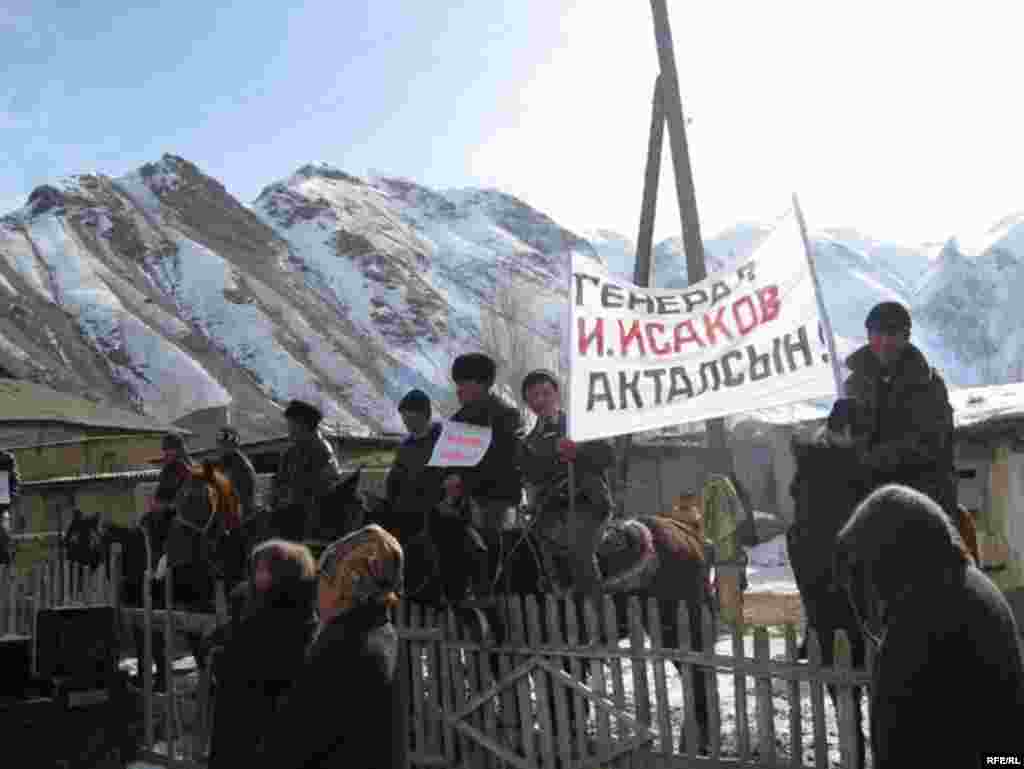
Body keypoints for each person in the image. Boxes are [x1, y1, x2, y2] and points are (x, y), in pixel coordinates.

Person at [835, 484, 1024, 768]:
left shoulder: (918, 620)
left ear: (886, 557)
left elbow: (895, 750)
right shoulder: (974, 586)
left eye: (865, 571)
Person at [257, 524, 408, 769]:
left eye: (326, 578)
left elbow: (290, 744)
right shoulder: (382, 632)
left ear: (347, 584)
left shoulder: (342, 645)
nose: (318, 588)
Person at [830, 301, 957, 519]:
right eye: (878, 334)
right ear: (869, 337)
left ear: (906, 337)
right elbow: (845, 443)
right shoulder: (853, 385)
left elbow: (931, 444)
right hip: (865, 490)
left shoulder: (928, 385)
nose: (885, 341)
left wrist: (869, 459)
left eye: (892, 333)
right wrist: (834, 431)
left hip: (921, 492)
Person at [208, 539, 318, 769]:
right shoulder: (251, 608)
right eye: (256, 568)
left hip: (263, 728)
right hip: (242, 726)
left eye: (263, 569)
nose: (257, 575)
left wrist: (223, 657)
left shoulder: (289, 619)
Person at [520, 369, 614, 598]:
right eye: (533, 395)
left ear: (557, 394)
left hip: (589, 504)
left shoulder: (581, 424)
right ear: (528, 402)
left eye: (546, 393)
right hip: (551, 512)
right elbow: (532, 478)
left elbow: (608, 455)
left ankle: (597, 614)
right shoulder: (529, 442)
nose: (540, 400)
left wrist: (579, 451)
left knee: (579, 551)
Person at [442, 353, 524, 593]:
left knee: (493, 550)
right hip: (464, 502)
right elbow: (448, 460)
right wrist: (449, 478)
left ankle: (491, 595)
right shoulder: (457, 419)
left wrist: (463, 480)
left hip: (497, 500)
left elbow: (503, 462)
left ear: (480, 384)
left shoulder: (505, 415)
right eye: (457, 384)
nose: (458, 390)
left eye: (463, 384)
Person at [269, 399, 344, 541]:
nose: (289, 429)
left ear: (304, 425)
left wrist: (292, 497)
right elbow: (279, 481)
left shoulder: (322, 451)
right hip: (287, 513)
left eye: (292, 425)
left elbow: (326, 488)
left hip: (309, 520)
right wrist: (277, 495)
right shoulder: (291, 452)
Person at [383, 389, 444, 544]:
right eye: (404, 419)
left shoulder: (442, 441)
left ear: (424, 415)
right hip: (405, 515)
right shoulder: (405, 446)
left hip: (433, 516)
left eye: (410, 419)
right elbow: (394, 479)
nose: (406, 424)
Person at [214, 426, 257, 523]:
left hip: (240, 512)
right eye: (220, 443)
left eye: (224, 443)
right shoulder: (229, 459)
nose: (220, 447)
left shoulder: (235, 461)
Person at [0, 449, 17, 566]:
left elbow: (14, 482)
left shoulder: (6, 459)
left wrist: (10, 497)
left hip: (2, 505)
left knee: (3, 533)